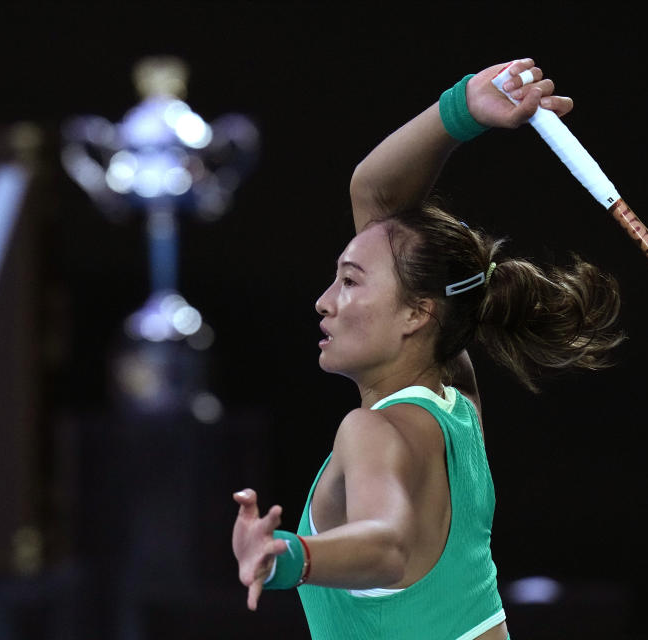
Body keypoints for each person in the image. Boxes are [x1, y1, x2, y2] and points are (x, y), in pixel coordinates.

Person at [231, 57, 624, 640]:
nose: (323, 301)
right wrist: (465, 108)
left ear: (418, 313)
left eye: (349, 281)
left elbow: (387, 544)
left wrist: (289, 557)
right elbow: (375, 194)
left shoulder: (369, 431)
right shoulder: (454, 390)